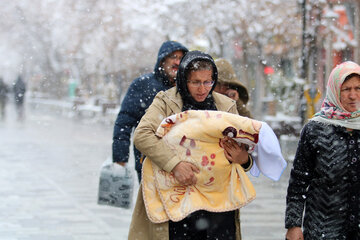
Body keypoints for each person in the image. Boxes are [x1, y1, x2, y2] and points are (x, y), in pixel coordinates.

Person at [129, 51, 253, 240]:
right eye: (195, 82)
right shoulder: (166, 101)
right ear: (183, 80)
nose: (202, 89)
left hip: (218, 203)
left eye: (207, 82)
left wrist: (244, 159)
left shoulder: (226, 106)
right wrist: (175, 164)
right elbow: (142, 135)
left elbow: (247, 146)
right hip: (179, 200)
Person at [285, 61, 360, 240]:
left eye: (358, 88)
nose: (353, 95)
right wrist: (293, 225)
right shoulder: (315, 129)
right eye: (346, 89)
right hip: (323, 229)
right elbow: (298, 183)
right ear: (335, 91)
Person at [112, 41, 188, 182]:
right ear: (162, 61)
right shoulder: (142, 84)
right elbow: (124, 121)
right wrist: (120, 157)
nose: (177, 62)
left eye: (181, 58)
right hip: (148, 159)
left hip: (183, 161)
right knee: (151, 202)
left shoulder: (188, 87)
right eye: (173, 57)